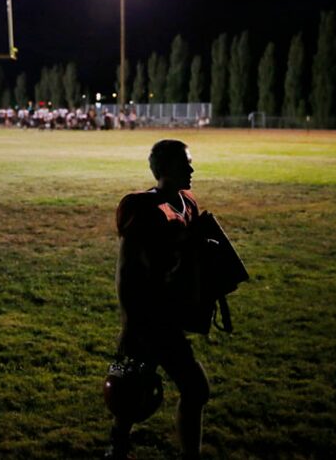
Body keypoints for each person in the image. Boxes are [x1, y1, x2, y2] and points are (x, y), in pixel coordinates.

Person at [105, 139, 209, 460]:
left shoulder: (187, 203)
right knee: (193, 387)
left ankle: (118, 444)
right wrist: (129, 322)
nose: (191, 168)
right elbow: (127, 271)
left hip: (170, 312)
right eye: (184, 163)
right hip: (149, 317)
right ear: (164, 168)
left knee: (136, 385)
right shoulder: (141, 207)